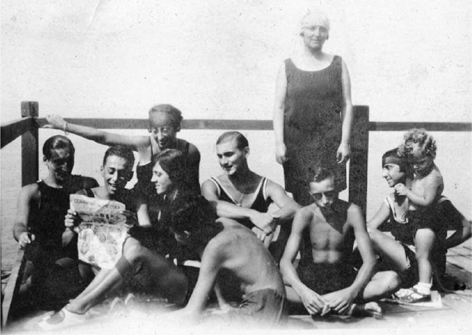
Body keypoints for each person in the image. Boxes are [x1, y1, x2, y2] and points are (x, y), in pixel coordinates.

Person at [39, 149, 191, 330]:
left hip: (133, 268)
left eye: (122, 173)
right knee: (115, 245)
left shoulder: (138, 198)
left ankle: (78, 308)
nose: (115, 178)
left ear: (130, 175)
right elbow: (65, 243)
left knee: (130, 244)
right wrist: (72, 228)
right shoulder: (84, 195)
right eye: (111, 171)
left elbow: (149, 237)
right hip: (95, 266)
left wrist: (133, 225)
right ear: (102, 169)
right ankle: (85, 306)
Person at [280, 167, 393, 317]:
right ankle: (351, 308)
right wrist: (304, 292)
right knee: (271, 285)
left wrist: (350, 293)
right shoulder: (304, 214)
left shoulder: (352, 212)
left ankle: (321, 305)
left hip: (343, 281)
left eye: (329, 193)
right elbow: (285, 261)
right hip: (310, 281)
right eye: (317, 196)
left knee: (391, 279)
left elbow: (370, 261)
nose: (325, 201)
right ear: (309, 193)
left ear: (338, 188)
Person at [368, 146, 472, 302]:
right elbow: (370, 227)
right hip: (405, 263)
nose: (384, 174)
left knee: (368, 234)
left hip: (427, 269)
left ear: (405, 167)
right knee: (365, 234)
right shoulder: (391, 200)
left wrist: (442, 245)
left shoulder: (434, 201)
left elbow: (467, 228)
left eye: (388, 168)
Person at [167, 194, 288, 328]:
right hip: (274, 303)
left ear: (186, 234)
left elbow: (192, 313)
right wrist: (223, 305)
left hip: (262, 308)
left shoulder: (215, 247)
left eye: (175, 233)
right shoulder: (225, 223)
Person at [273, 9, 353, 206]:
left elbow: (347, 104)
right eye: (312, 28)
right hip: (297, 145)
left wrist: (345, 142)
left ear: (327, 34)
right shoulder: (287, 66)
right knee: (302, 197)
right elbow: (279, 107)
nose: (317, 33)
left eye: (322, 29)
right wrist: (279, 143)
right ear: (302, 32)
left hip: (329, 144)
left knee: (328, 197)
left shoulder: (338, 63)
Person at [45, 104, 200, 206]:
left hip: (171, 204)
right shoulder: (145, 144)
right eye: (155, 130)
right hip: (141, 204)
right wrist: (64, 126)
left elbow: (193, 189)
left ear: (177, 127)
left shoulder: (189, 151)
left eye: (166, 130)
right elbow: (104, 137)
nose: (160, 137)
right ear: (149, 129)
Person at [12, 135, 98, 309]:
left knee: (34, 283)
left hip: (71, 258)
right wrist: (22, 235)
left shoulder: (86, 185)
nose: (65, 167)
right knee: (21, 277)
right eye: (58, 162)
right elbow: (19, 223)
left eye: (69, 160)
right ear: (46, 160)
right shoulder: (32, 192)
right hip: (42, 254)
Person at [201, 131, 300, 262]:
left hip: (255, 257)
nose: (224, 162)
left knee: (291, 221)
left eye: (229, 155)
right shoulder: (211, 185)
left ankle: (279, 264)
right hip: (224, 259)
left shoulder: (265, 185)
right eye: (220, 156)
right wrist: (253, 215)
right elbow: (212, 205)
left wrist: (271, 221)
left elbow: (295, 208)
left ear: (246, 152)